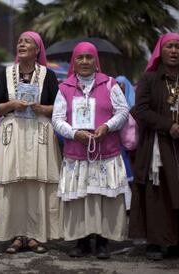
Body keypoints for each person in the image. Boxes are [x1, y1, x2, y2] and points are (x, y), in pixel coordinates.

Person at [129, 32, 179, 260]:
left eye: (178, 47)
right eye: (169, 47)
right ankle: (156, 242)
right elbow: (141, 110)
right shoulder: (150, 79)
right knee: (159, 195)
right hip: (158, 146)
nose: (174, 51)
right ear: (160, 51)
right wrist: (167, 125)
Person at [52, 42, 129, 259]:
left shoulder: (110, 84)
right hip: (77, 153)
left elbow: (122, 112)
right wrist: (75, 133)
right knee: (80, 198)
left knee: (104, 197)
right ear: (73, 63)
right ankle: (82, 242)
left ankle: (103, 242)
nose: (84, 61)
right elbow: (57, 119)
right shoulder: (64, 88)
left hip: (105, 153)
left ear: (96, 61)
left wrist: (107, 126)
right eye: (80, 58)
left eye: (89, 57)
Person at [0, 31, 61, 254]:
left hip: (39, 132)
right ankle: (17, 236)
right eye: (19, 41)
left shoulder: (48, 75)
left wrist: (44, 109)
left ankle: (36, 235)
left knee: (38, 184)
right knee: (14, 184)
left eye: (27, 42)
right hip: (13, 132)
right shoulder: (6, 73)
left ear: (38, 49)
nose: (21, 44)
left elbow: (59, 107)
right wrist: (12, 104)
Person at [116, 75, 136, 210]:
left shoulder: (134, 105)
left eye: (122, 84)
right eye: (117, 83)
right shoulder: (114, 100)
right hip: (118, 145)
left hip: (132, 146)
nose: (120, 86)